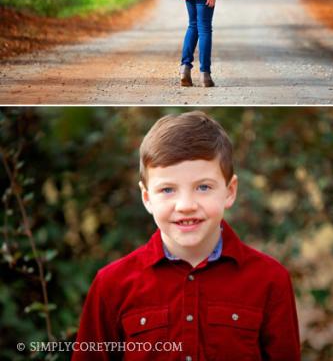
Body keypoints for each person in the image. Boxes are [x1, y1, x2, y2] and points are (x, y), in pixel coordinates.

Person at [73, 111, 301, 360]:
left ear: (229, 191)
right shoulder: (112, 285)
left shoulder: (270, 280)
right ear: (147, 198)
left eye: (203, 187)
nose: (186, 205)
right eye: (168, 189)